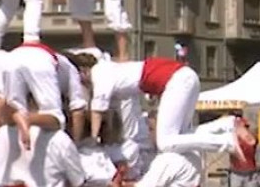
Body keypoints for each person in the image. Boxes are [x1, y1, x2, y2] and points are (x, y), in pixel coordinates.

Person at [68, 53, 243, 158]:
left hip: (174, 80)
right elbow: (111, 115)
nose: (80, 85)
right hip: (183, 76)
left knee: (165, 142)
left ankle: (225, 142)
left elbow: (97, 111)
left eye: (78, 80)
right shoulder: (110, 71)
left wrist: (92, 140)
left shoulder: (100, 73)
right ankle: (225, 125)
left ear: (83, 71)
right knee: (179, 136)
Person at [3, 44, 88, 151]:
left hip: (14, 56)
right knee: (55, 117)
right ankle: (27, 118)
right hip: (40, 64)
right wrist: (75, 145)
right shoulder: (71, 70)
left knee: (13, 105)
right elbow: (78, 110)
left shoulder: (61, 64)